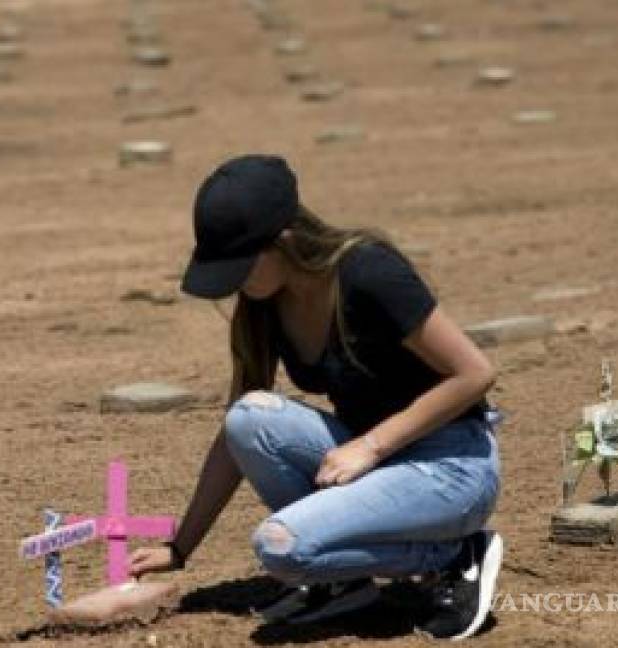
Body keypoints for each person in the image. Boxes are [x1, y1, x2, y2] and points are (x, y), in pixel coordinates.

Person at [127, 154, 503, 640]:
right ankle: (343, 583)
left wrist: (371, 446)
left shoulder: (370, 272)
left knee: (280, 547)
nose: (234, 283)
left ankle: (456, 555)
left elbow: (475, 373)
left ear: (284, 241)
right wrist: (180, 547)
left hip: (453, 466)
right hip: (374, 461)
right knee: (248, 418)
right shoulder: (264, 305)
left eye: (241, 265)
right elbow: (233, 437)